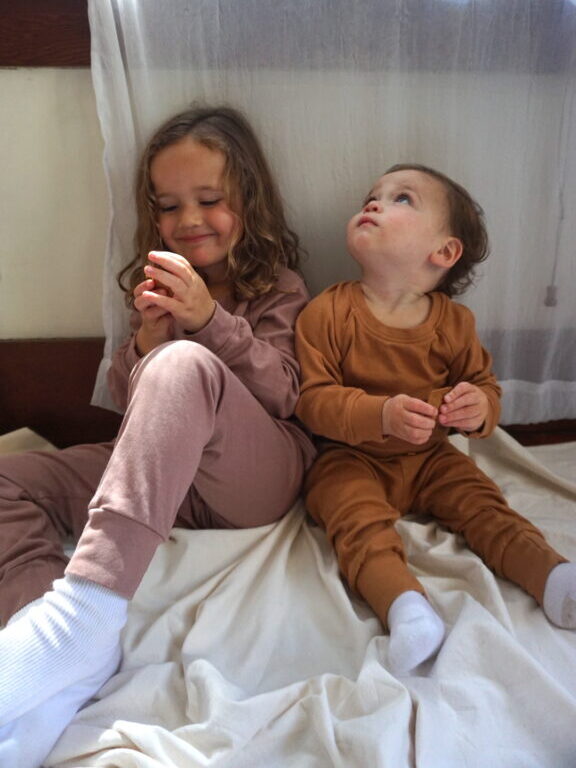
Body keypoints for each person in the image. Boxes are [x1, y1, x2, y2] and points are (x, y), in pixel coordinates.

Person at [0, 105, 315, 765]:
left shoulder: (278, 287)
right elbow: (134, 408)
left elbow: (284, 391)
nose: (188, 220)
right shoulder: (158, 288)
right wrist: (145, 343)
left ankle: (87, 611)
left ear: (248, 202)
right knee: (7, 474)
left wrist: (207, 322)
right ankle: (46, 634)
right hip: (165, 480)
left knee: (182, 366)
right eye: (168, 206)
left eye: (209, 200)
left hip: (254, 479)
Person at [295, 163, 576, 676]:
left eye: (401, 198)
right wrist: (378, 413)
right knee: (352, 518)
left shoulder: (453, 323)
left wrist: (478, 408)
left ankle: (554, 578)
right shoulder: (328, 312)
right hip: (349, 458)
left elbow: (486, 387)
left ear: (443, 252)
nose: (374, 203)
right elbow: (311, 400)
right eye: (372, 195)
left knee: (483, 504)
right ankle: (405, 607)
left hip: (431, 459)